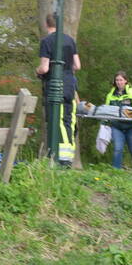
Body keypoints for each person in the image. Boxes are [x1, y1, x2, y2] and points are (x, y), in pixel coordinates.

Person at [36, 13, 82, 166]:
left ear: (46, 24)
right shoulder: (70, 40)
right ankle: (68, 157)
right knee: (69, 120)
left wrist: (37, 71)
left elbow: (44, 67)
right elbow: (77, 66)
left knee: (59, 119)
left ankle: (62, 159)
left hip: (56, 86)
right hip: (71, 85)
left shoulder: (47, 41)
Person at [104, 71, 132, 170]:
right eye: (117, 80)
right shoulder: (110, 95)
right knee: (118, 149)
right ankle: (116, 171)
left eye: (121, 80)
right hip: (116, 127)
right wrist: (105, 123)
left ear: (125, 81)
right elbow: (106, 111)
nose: (119, 82)